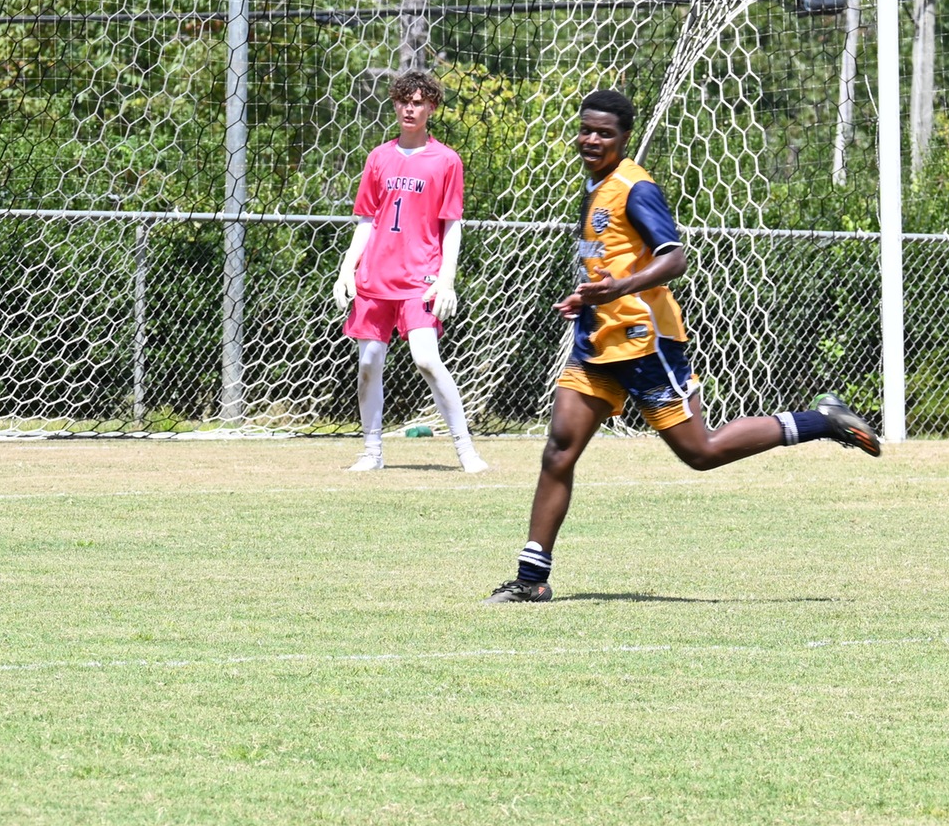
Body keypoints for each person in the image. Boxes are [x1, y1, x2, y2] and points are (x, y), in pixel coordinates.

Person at [486, 88, 879, 604]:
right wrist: (588, 296)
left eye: (604, 132)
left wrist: (618, 290)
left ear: (624, 138)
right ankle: (531, 577)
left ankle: (822, 421)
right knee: (559, 448)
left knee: (701, 452)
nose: (591, 139)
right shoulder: (593, 187)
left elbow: (674, 258)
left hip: (646, 343)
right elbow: (613, 263)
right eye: (586, 129)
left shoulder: (635, 187)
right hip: (598, 339)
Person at [332, 70, 487, 474]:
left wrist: (447, 278)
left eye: (418, 101)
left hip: (420, 280)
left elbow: (451, 224)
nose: (409, 108)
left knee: (426, 359)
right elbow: (366, 219)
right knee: (368, 364)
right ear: (395, 104)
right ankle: (372, 452)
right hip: (375, 281)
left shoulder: (447, 160)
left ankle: (466, 450)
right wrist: (347, 268)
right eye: (403, 100)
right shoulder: (378, 157)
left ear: (432, 107)